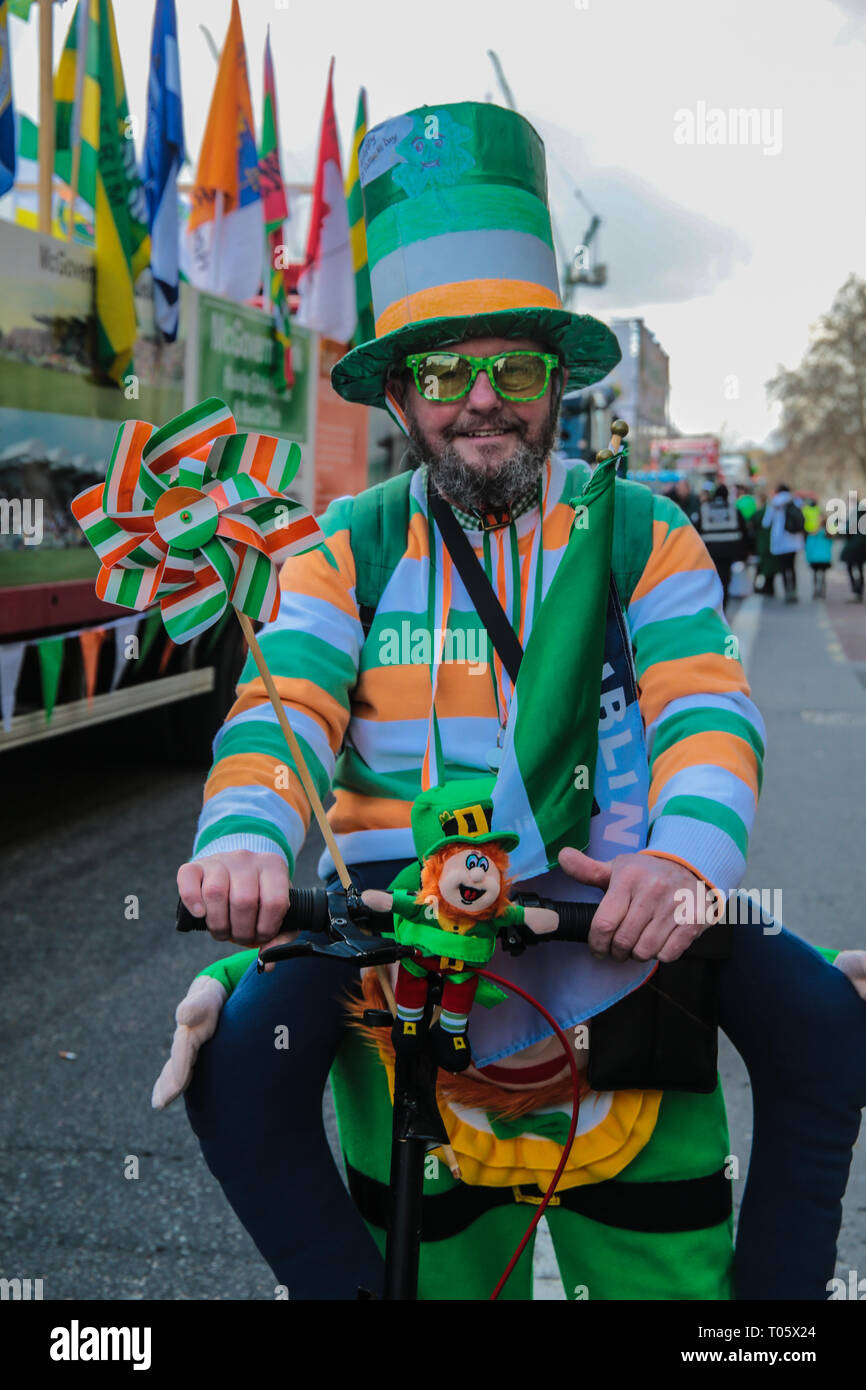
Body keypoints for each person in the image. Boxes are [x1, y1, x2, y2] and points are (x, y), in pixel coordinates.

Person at [175, 102, 866, 1301]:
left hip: (623, 942)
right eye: (444, 367)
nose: (481, 398)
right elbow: (275, 718)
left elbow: (708, 707)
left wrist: (682, 864)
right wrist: (240, 846)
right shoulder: (345, 547)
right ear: (398, 393)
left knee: (816, 1026)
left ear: (559, 383)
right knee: (242, 1075)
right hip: (403, 967)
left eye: (515, 365)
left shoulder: (641, 532)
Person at [699, 482, 749, 605]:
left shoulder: (704, 509)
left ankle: (714, 602)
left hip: (710, 550)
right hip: (729, 550)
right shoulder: (733, 509)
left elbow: (696, 530)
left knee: (712, 578)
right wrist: (745, 552)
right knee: (725, 579)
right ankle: (723, 603)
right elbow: (744, 531)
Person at [761, 482, 804, 602]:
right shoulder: (796, 500)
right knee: (793, 567)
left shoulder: (774, 502)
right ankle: (794, 591)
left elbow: (766, 523)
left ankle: (787, 592)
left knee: (784, 568)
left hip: (780, 541)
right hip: (794, 540)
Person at [805, 510, 834, 598]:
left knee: (815, 575)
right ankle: (822, 591)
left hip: (815, 559)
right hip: (825, 558)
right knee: (823, 576)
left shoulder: (814, 534)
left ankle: (816, 591)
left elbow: (808, 546)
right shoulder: (828, 533)